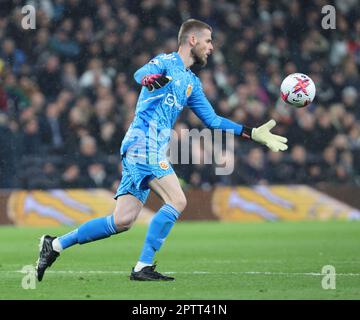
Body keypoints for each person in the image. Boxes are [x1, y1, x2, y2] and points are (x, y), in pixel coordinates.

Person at [35, 19, 288, 282]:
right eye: (208, 41)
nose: (211, 47)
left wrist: (251, 132)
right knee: (178, 200)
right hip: (142, 144)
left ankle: (54, 245)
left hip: (145, 148)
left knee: (122, 220)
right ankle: (142, 267)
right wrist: (150, 78)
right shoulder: (165, 62)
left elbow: (212, 121)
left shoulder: (192, 82)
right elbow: (139, 74)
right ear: (193, 40)